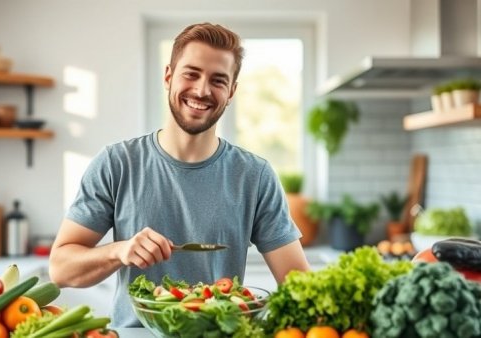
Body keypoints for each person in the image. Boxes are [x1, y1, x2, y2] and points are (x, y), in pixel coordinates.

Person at [49, 22, 310, 328]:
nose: (202, 90)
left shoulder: (255, 176)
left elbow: (298, 285)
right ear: (168, 76)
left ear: (231, 92)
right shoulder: (117, 164)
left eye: (218, 80)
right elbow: (60, 269)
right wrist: (120, 251)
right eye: (191, 73)